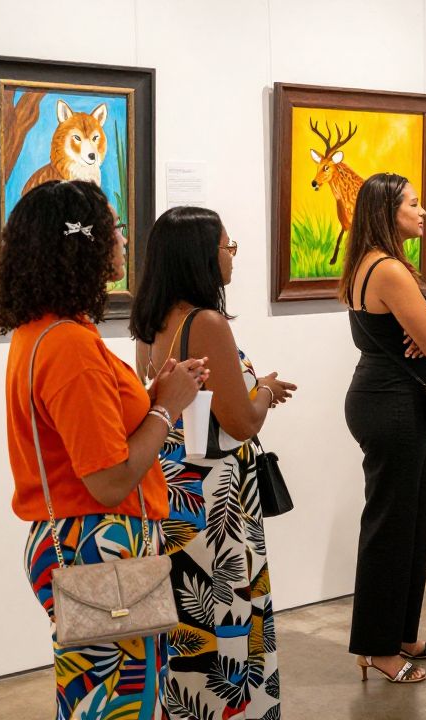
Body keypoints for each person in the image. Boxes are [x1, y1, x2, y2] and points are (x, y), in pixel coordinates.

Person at [0, 180, 206, 720]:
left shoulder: (45, 332)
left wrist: (151, 400)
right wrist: (166, 408)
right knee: (118, 707)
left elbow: (99, 438)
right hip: (99, 542)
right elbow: (108, 479)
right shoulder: (70, 346)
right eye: (114, 227)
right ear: (81, 242)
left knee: (99, 701)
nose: (124, 239)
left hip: (85, 540)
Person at [130, 206, 297, 719]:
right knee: (224, 619)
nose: (232, 255)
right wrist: (264, 390)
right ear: (201, 256)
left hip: (172, 486)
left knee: (184, 617)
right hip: (216, 501)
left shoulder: (150, 326)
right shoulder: (205, 322)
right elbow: (242, 421)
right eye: (228, 245)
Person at [339, 172, 426, 684]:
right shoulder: (390, 270)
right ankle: (378, 647)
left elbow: (422, 337)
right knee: (390, 526)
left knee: (416, 518)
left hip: (384, 397)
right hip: (393, 405)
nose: (423, 210)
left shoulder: (367, 262)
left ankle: (402, 633)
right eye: (413, 203)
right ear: (388, 212)